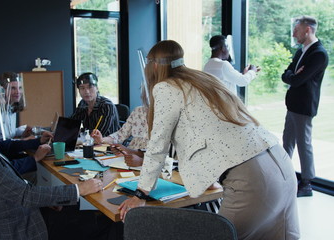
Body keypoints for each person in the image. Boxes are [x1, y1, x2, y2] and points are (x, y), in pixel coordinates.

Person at [119, 40, 299, 240]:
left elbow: (157, 147)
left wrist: (140, 195)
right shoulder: (203, 79)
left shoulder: (165, 87)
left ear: (153, 65)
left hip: (252, 180)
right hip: (280, 164)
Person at [0, 84, 103, 239]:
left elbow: (12, 187)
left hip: (7, 211)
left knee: (75, 207)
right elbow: (26, 195)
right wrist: (80, 189)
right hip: (16, 227)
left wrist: (45, 199)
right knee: (94, 219)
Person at [281, 16, 329, 197]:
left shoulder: (319, 54)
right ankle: (284, 176)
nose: (294, 33)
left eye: (297, 30)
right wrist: (291, 75)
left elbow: (297, 79)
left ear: (307, 30)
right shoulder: (301, 51)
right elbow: (286, 74)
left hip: (304, 106)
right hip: (292, 105)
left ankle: (307, 184)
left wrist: (292, 76)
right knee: (287, 143)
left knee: (303, 144)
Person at [70, 72, 120, 137]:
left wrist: (79, 132)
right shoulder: (83, 103)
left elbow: (98, 133)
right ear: (79, 91)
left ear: (97, 88)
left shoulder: (107, 106)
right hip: (90, 142)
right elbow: (72, 123)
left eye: (90, 87)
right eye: (82, 88)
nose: (87, 91)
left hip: (110, 144)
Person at [0, 72, 33, 139]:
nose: (18, 92)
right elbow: (1, 141)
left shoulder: (11, 107)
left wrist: (24, 132)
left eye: (20, 88)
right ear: (2, 90)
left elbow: (10, 133)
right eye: (13, 88)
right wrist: (23, 141)